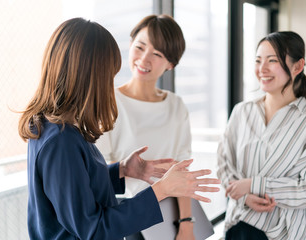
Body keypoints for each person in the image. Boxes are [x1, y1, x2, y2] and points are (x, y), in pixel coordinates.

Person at [18, 17, 220, 240]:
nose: (110, 83)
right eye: (108, 74)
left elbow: (79, 186)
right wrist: (161, 190)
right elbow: (93, 229)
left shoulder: (56, 128)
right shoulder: (60, 140)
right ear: (89, 75)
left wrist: (122, 170)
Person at [217, 31, 306, 240]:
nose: (262, 69)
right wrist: (244, 196)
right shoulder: (242, 112)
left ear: (297, 66)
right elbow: (224, 164)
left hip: (285, 234)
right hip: (238, 227)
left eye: (272, 61)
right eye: (258, 60)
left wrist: (254, 184)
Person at [95, 14, 195, 240]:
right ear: (130, 45)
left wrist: (187, 223)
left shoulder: (176, 106)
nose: (144, 59)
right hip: (125, 214)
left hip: (169, 216)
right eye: (140, 47)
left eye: (157, 54)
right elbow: (97, 168)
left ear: (171, 64)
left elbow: (182, 167)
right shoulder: (106, 100)